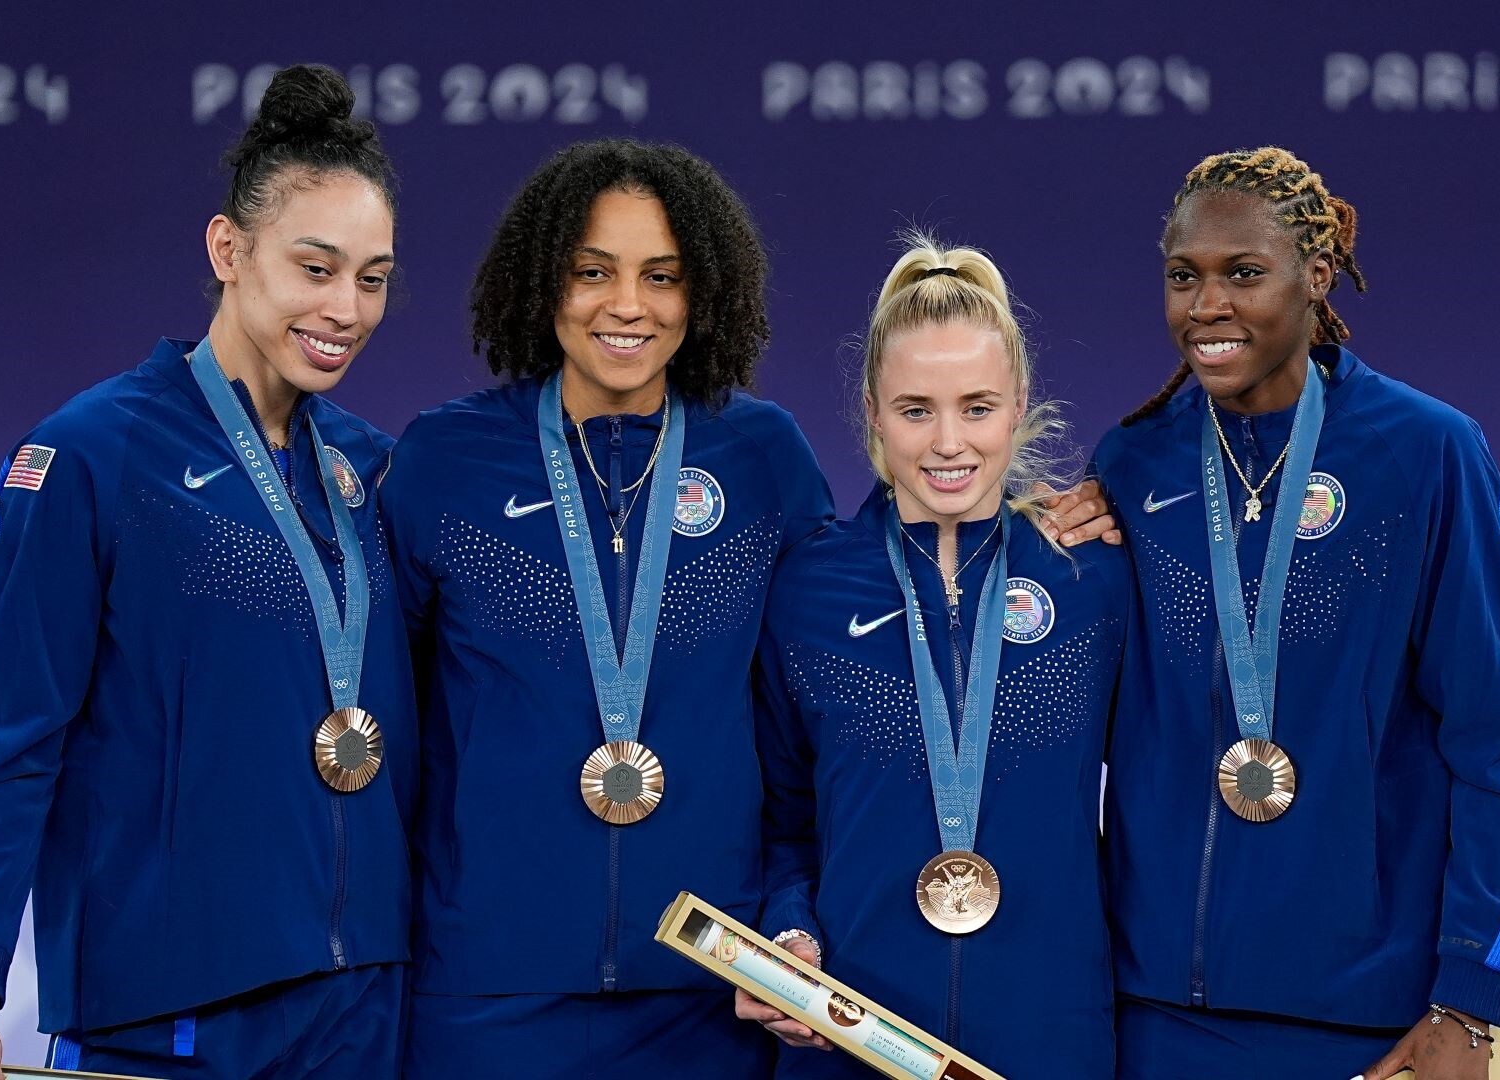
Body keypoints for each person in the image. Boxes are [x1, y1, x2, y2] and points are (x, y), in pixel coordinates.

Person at [384, 140, 1119, 1078]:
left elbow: (824, 725)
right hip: (487, 988)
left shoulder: (763, 458)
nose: (628, 304)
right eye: (593, 272)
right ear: (542, 280)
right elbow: (389, 714)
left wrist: (1065, 517)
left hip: (708, 1000)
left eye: (663, 275)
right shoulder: (446, 459)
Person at [0, 65, 417, 1080]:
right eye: (315, 268)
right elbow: (10, 737)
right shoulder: (92, 456)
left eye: (372, 278)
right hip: (174, 1012)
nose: (346, 309)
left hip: (364, 1002)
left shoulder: (370, 467)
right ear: (228, 249)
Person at [1093, 147, 1500, 1080]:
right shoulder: (1135, 463)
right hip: (1156, 1013)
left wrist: (1468, 998)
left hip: (1366, 1014)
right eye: (1184, 277)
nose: (1207, 306)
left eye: (1243, 273)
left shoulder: (1427, 454)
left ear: (1317, 275)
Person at [741, 237, 1129, 1078]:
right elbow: (780, 820)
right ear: (873, 410)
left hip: (1051, 1033)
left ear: (1021, 402)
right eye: (916, 409)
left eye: (978, 406)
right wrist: (788, 931)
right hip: (851, 1034)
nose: (949, 442)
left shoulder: (1094, 576)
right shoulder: (807, 586)